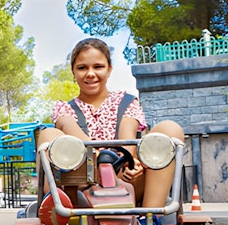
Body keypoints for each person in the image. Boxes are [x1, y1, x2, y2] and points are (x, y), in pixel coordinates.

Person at [36, 37, 184, 209]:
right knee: (48, 135)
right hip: (81, 183)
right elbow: (68, 126)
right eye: (82, 68)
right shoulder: (64, 108)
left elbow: (127, 139)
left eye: (98, 67)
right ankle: (60, 217)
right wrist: (96, 157)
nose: (90, 73)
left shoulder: (126, 102)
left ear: (109, 69)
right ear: (73, 72)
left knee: (170, 129)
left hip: (124, 179)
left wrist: (130, 165)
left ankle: (151, 217)